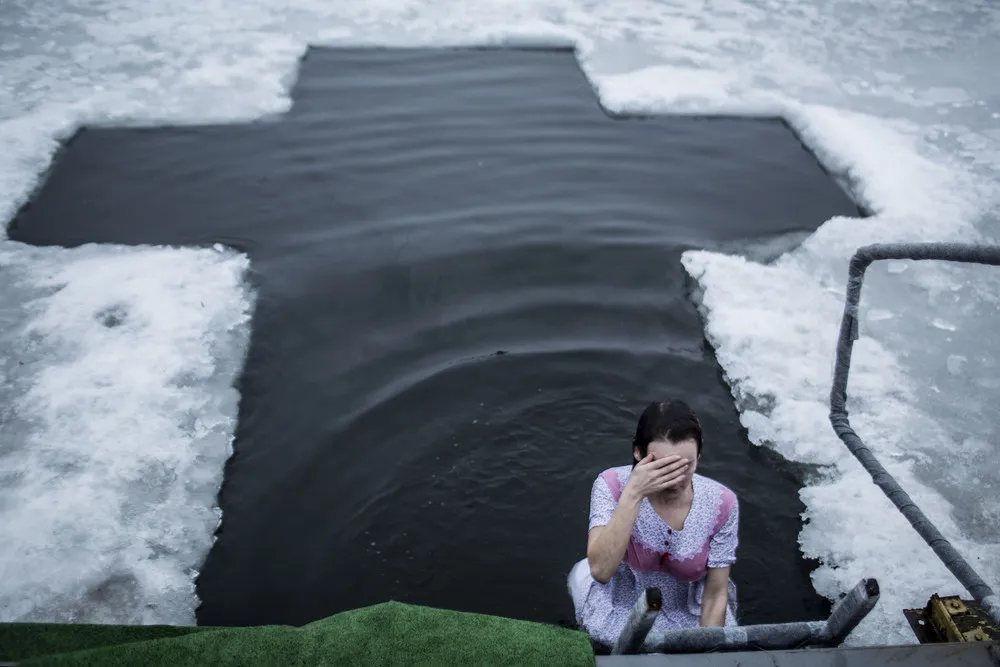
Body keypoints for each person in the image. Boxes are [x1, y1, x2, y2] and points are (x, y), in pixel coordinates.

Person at [568, 399, 739, 648]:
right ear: (638, 452)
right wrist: (634, 493)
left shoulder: (723, 504)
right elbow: (601, 572)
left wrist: (705, 650)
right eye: (662, 467)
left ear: (699, 456)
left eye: (686, 466)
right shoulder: (611, 485)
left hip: (690, 610)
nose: (675, 479)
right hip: (622, 605)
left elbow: (715, 593)